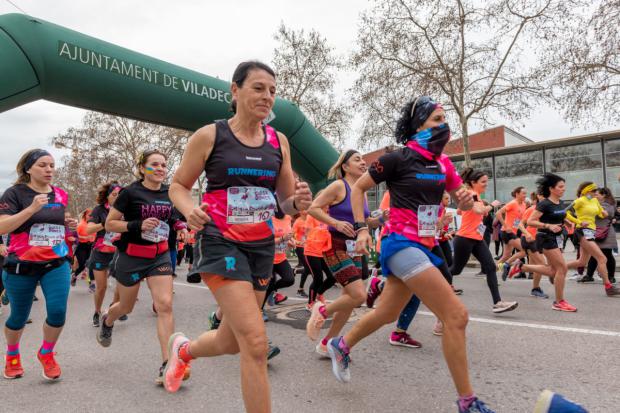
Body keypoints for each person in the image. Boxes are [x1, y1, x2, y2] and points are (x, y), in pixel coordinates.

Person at [325, 96, 496, 413]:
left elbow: (463, 200)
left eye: (445, 119)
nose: (443, 125)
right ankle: (467, 402)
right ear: (419, 124)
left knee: (388, 313)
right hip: (399, 242)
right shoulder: (397, 159)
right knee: (456, 315)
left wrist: (474, 202)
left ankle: (341, 344)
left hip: (426, 244)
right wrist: (362, 228)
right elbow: (360, 188)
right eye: (437, 119)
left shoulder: (443, 163)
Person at [164, 61, 312, 413]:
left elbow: (285, 202)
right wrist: (189, 210)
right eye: (259, 88)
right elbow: (178, 186)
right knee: (256, 343)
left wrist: (299, 202)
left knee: (232, 341)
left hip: (261, 245)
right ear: (235, 90)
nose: (267, 96)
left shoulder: (280, 141)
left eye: (273, 91)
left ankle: (183, 351)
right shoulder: (210, 135)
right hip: (220, 239)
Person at [96, 150, 189, 384]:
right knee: (126, 307)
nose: (160, 168)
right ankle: (108, 318)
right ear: (142, 168)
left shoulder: (170, 192)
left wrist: (182, 226)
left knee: (165, 305)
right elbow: (111, 224)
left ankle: (168, 364)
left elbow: (174, 216)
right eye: (154, 164)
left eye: (164, 165)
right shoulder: (130, 192)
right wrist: (138, 225)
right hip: (132, 256)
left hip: (160, 256)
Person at [0, 149, 77, 380]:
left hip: (55, 262)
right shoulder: (14, 194)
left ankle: (47, 353)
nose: (49, 170)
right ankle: (12, 355)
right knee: (19, 316)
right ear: (28, 168)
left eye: (52, 165)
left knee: (58, 312)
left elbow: (51, 223)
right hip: (21, 264)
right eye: (43, 165)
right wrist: (32, 208)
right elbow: (3, 227)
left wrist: (66, 223)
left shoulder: (61, 194)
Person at [305, 149, 383, 352]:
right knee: (358, 296)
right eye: (357, 160)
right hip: (335, 245)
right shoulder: (339, 186)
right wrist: (335, 223)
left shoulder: (361, 191)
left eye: (364, 159)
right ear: (345, 166)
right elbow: (313, 208)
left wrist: (382, 219)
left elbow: (364, 223)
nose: (363, 162)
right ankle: (321, 309)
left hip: (354, 247)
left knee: (349, 300)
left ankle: (327, 343)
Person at [449, 168, 518, 314]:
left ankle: (498, 303)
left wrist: (480, 207)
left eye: (487, 181)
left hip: (477, 238)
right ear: (473, 183)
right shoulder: (472, 194)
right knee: (455, 270)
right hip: (465, 238)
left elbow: (461, 211)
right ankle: (429, 284)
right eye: (483, 182)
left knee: (491, 267)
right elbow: (478, 211)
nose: (486, 184)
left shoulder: (475, 196)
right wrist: (492, 205)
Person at [513, 174, 575, 311]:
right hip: (545, 237)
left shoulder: (560, 202)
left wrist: (567, 222)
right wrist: (548, 226)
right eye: (560, 187)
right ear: (551, 188)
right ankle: (559, 302)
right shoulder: (544, 203)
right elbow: (531, 221)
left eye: (564, 186)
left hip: (556, 238)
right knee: (562, 268)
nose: (563, 189)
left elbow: (559, 215)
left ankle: (522, 267)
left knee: (553, 270)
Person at [562, 182, 619, 296]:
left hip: (591, 232)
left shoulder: (594, 201)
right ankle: (608, 287)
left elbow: (601, 214)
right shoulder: (580, 200)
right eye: (594, 191)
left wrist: (604, 213)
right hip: (582, 231)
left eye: (596, 191)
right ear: (587, 191)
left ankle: (557, 269)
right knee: (602, 258)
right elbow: (564, 212)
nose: (596, 193)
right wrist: (578, 221)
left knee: (582, 262)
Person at [86, 181, 122, 327]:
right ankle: (97, 311)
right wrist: (106, 223)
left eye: (120, 195)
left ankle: (114, 308)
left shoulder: (126, 210)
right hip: (101, 252)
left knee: (121, 285)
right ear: (107, 196)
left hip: (120, 252)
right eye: (114, 195)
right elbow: (88, 230)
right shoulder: (99, 210)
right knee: (101, 287)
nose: (118, 197)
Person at [584, 187, 617, 284]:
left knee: (608, 255)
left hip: (606, 233)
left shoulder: (608, 205)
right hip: (597, 232)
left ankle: (611, 277)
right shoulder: (597, 204)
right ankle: (589, 275)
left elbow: (603, 214)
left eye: (597, 194)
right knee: (594, 255)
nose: (595, 196)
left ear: (604, 195)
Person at [496, 186, 527, 281]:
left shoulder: (524, 205)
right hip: (507, 232)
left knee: (505, 256)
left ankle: (491, 274)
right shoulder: (512, 203)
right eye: (523, 193)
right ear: (517, 194)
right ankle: (507, 265)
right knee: (525, 250)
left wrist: (523, 231)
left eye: (526, 193)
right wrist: (505, 225)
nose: (525, 195)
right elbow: (498, 213)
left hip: (513, 232)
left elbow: (519, 220)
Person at [71, 209, 95, 287]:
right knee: (82, 265)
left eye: (92, 215)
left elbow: (96, 235)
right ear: (85, 215)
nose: (91, 217)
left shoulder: (93, 224)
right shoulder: (81, 225)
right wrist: (85, 237)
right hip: (82, 246)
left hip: (91, 246)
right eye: (89, 215)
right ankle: (74, 275)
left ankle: (91, 282)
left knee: (90, 264)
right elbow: (75, 236)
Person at [292, 211, 311, 298]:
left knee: (309, 269)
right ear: (300, 211)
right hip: (300, 247)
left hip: (309, 247)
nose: (307, 210)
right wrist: (296, 242)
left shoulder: (310, 219)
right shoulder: (298, 222)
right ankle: (300, 289)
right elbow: (291, 235)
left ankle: (296, 271)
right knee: (308, 268)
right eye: (304, 209)